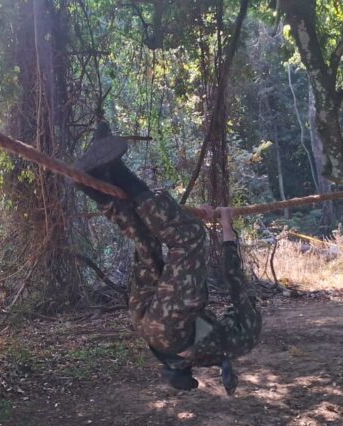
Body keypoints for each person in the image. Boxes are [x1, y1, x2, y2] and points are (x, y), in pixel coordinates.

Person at [75, 123, 262, 394]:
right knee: (147, 242)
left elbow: (235, 281)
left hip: (169, 328)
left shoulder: (247, 334)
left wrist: (226, 225)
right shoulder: (223, 346)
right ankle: (95, 179)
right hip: (150, 328)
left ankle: (113, 170)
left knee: (189, 237)